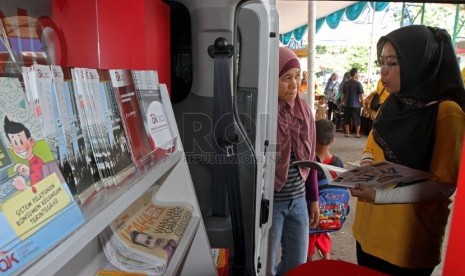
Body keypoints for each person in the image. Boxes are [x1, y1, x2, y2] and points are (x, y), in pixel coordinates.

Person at [350, 25, 465, 275]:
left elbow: (444, 184)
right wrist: (367, 166)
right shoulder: (393, 102)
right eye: (382, 62)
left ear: (420, 63)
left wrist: (380, 196)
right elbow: (371, 145)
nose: (383, 72)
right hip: (368, 232)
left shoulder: (446, 113)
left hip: (407, 246)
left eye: (392, 63)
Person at [266, 47, 319, 276]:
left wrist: (313, 198)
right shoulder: (264, 111)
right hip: (271, 203)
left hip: (298, 200)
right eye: (286, 78)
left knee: (297, 263)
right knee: (264, 263)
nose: (294, 84)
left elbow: (311, 157)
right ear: (271, 78)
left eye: (297, 76)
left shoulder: (305, 111)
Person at [307, 119, 344, 262]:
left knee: (308, 239)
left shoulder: (311, 162)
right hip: (331, 213)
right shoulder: (338, 162)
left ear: (312, 137)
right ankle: (326, 264)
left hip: (311, 210)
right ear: (333, 139)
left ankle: (308, 265)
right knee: (324, 235)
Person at [4, 116, 45, 193]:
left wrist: (24, 187)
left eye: (21, 142)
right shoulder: (34, 162)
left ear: (32, 142)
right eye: (15, 143)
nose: (19, 147)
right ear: (12, 147)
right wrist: (29, 172)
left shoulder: (37, 164)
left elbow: (40, 193)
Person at [340, 68, 364, 138]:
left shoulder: (346, 83)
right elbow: (360, 95)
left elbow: (343, 94)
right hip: (356, 105)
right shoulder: (358, 83)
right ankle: (357, 134)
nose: (358, 74)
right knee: (357, 119)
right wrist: (363, 103)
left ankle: (347, 133)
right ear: (355, 74)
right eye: (358, 73)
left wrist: (342, 102)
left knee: (346, 119)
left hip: (346, 104)